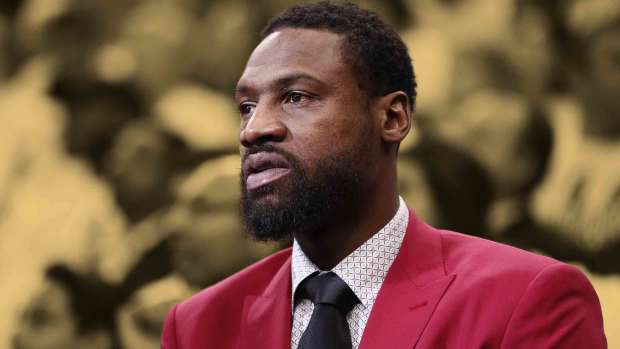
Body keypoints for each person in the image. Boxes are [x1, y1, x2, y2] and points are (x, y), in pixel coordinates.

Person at [161, 2, 606, 348]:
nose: (255, 129)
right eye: (246, 106)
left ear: (392, 118)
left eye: (296, 97)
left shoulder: (525, 299)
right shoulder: (197, 324)